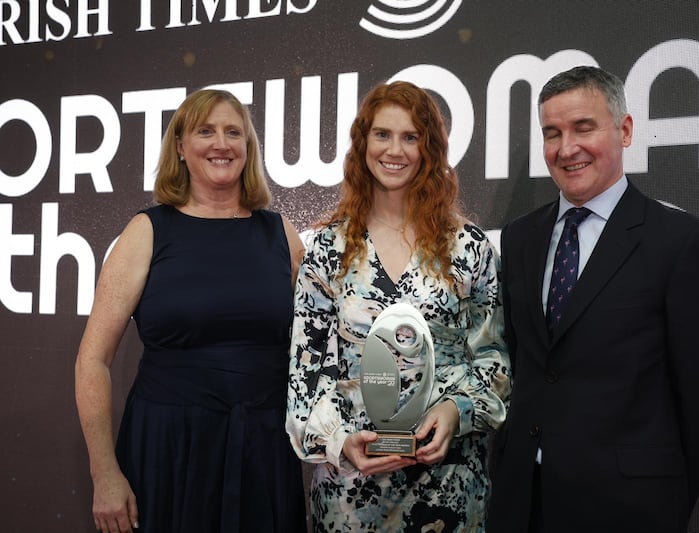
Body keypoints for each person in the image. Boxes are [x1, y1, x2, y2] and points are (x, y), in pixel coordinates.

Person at [487, 66, 699, 533]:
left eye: (584, 127)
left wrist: (664, 498)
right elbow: (524, 367)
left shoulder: (679, 242)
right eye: (552, 133)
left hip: (627, 510)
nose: (567, 148)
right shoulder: (521, 238)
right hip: (520, 505)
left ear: (624, 130)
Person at [74, 89, 307, 533]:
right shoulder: (146, 231)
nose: (221, 143)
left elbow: (321, 347)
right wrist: (104, 473)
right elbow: (92, 360)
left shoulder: (281, 234)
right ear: (180, 147)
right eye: (206, 131)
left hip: (261, 452)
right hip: (166, 453)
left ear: (248, 147)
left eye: (233, 132)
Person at [286, 80, 511, 532]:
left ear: (430, 148)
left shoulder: (468, 247)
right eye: (383, 134)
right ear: (362, 143)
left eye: (411, 137)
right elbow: (305, 376)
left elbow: (493, 363)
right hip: (350, 495)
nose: (396, 150)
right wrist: (340, 441)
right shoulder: (328, 250)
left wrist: (457, 412)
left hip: (449, 488)